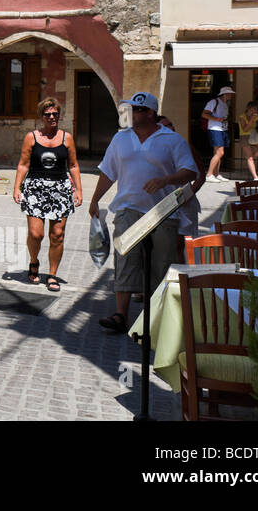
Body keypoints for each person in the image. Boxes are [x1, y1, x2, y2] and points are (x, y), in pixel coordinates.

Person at [88, 91, 198, 334]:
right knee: (125, 260)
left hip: (163, 211)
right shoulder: (120, 139)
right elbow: (108, 171)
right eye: (130, 110)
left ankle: (157, 321)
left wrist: (166, 180)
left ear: (150, 113)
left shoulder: (171, 140)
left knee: (162, 264)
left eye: (136, 110)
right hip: (128, 209)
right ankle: (120, 316)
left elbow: (191, 172)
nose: (132, 114)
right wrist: (95, 199)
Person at [12, 97, 82, 293]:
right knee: (36, 234)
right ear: (41, 116)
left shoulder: (66, 138)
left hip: (60, 188)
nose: (52, 117)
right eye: (47, 114)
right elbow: (23, 164)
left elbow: (74, 165)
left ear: (59, 115)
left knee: (57, 235)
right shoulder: (31, 137)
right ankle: (34, 262)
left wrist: (79, 190)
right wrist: (17, 188)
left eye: (55, 114)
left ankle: (52, 274)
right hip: (35, 188)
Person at [159, 115, 204, 263]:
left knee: (178, 245)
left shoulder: (185, 147)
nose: (171, 128)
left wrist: (188, 195)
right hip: (161, 203)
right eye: (165, 126)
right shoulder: (152, 150)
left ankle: (180, 278)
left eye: (171, 124)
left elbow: (201, 176)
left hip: (182, 202)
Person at [201, 85, 236, 182]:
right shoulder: (214, 102)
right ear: (224, 94)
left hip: (222, 129)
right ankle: (209, 174)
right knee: (220, 152)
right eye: (229, 94)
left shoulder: (225, 104)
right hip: (215, 129)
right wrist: (217, 119)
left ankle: (216, 174)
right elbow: (204, 114)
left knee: (218, 153)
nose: (231, 95)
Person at [237, 101, 258, 182]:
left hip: (254, 136)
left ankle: (255, 154)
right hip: (244, 137)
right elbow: (245, 129)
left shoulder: (255, 116)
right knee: (249, 158)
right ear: (248, 109)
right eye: (253, 109)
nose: (254, 111)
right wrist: (251, 121)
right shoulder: (242, 117)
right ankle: (255, 177)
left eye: (256, 109)